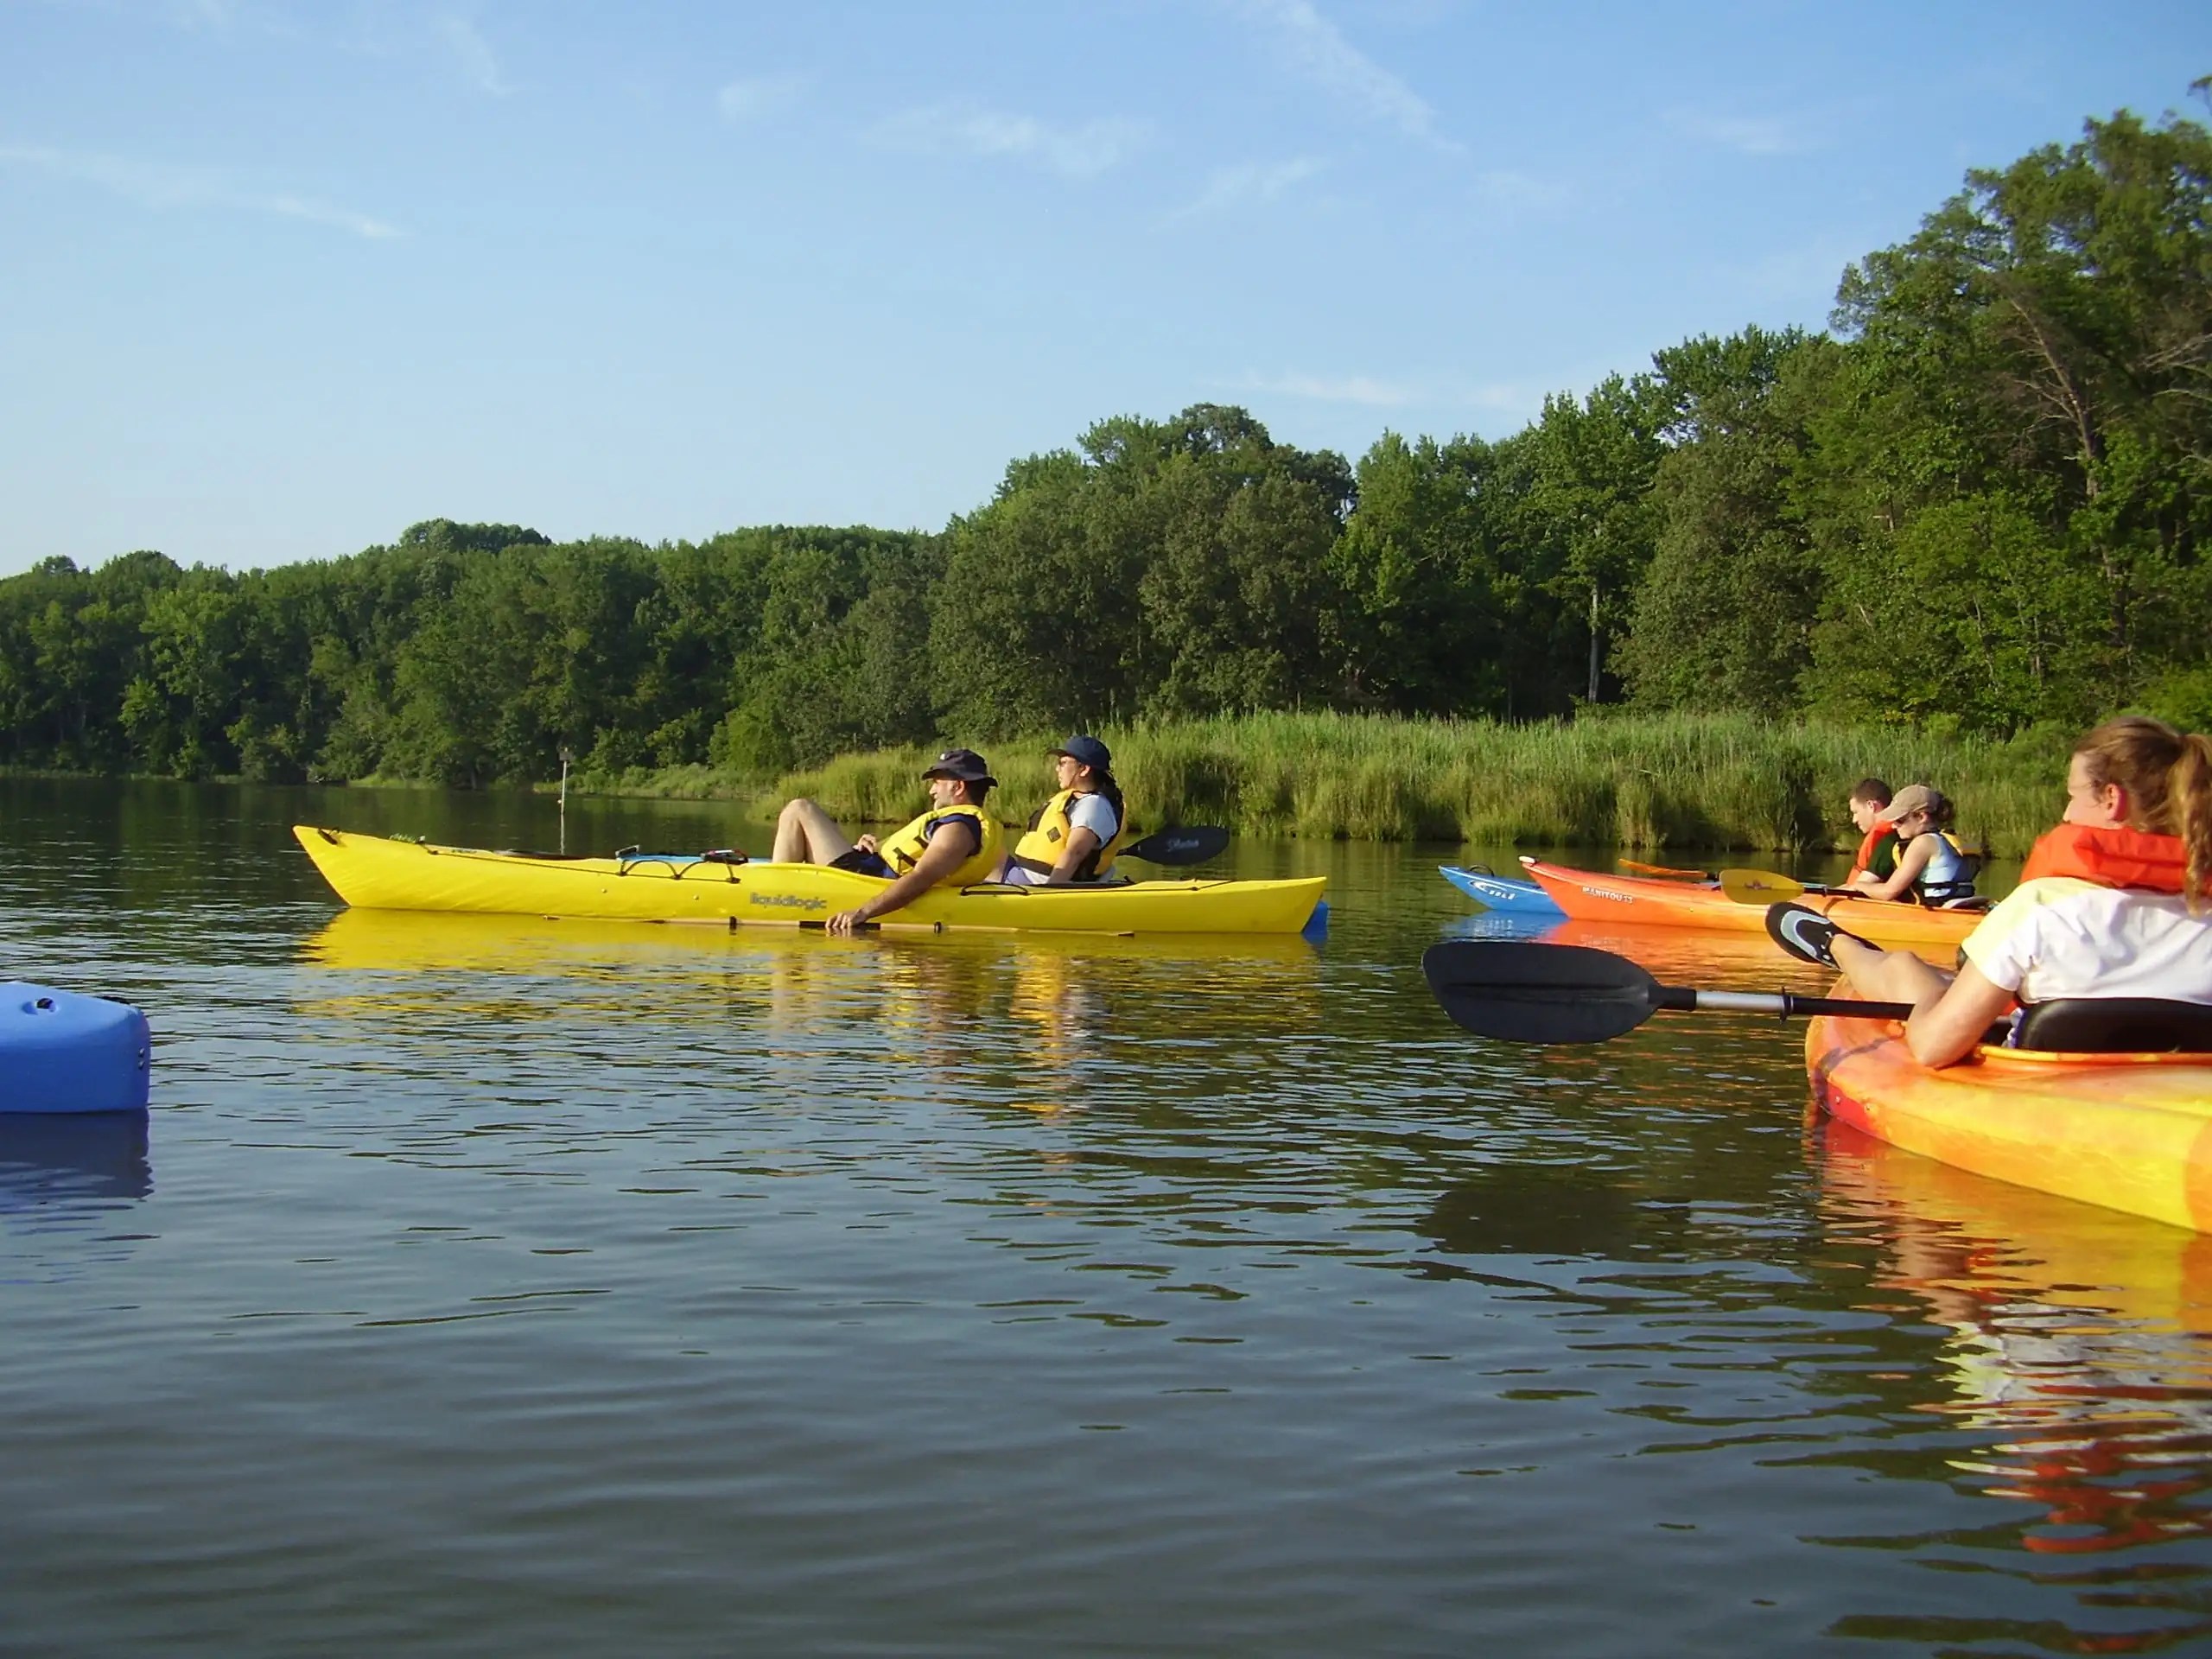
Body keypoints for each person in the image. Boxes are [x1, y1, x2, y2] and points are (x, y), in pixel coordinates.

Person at [1821, 715, 2212, 1067]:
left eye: (2073, 796)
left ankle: (1838, 945)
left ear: (2111, 799)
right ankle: (1843, 946)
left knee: (1909, 972)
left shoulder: (2041, 907)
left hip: (2041, 1088)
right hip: (2177, 1092)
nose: (2066, 815)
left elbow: (1931, 1047)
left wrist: (1927, 1007)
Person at [771, 748, 1006, 936]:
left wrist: (863, 912)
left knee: (799, 809)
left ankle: (771, 891)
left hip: (865, 878)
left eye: (937, 782)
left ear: (958, 786)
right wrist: (876, 846)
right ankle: (779, 879)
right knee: (801, 810)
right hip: (866, 865)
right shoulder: (960, 823)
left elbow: (921, 877)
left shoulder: (957, 829)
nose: (932, 791)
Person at [998, 734, 1127, 887]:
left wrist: (1049, 892)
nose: (1057, 769)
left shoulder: (1094, 806)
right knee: (987, 851)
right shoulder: (1076, 800)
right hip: (1025, 876)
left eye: (1063, 763)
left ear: (1084, 769)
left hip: (1038, 885)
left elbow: (1075, 854)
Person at [1847, 784, 1976, 906]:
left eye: (1899, 820)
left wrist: (1858, 885)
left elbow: (1888, 892)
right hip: (1960, 908)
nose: (1893, 825)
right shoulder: (1951, 840)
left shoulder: (1923, 843)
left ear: (1921, 817)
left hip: (1940, 915)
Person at [1845, 778, 1899, 883]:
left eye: (1856, 812)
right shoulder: (1899, 831)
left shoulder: (1884, 836)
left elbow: (1858, 888)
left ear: (1871, 806)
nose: (1854, 820)